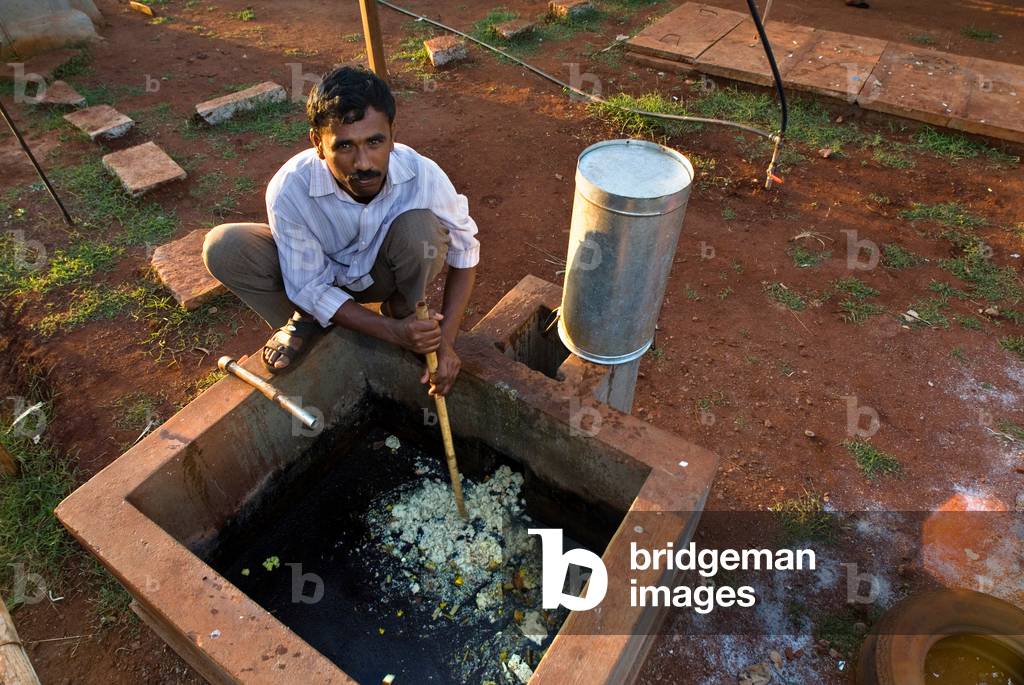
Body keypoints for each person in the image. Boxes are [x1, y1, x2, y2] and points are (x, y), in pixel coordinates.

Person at [203, 66, 479, 396]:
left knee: (421, 231)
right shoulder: (291, 186)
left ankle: (401, 308)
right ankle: (308, 321)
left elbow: (465, 250)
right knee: (224, 246)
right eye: (345, 147)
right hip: (315, 279)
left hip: (381, 278)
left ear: (392, 135)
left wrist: (445, 342)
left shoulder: (423, 175)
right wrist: (393, 334)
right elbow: (308, 285)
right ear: (318, 144)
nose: (364, 163)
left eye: (375, 141)